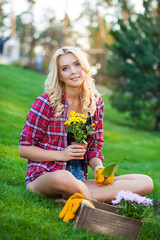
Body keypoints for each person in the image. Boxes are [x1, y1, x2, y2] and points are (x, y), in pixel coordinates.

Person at [19, 46, 153, 203]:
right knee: (64, 178)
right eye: (65, 68)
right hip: (47, 176)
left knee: (145, 182)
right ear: (60, 75)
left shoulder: (95, 103)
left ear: (84, 66)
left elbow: (94, 148)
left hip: (80, 180)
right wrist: (61, 155)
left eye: (77, 64)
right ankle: (85, 199)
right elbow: (24, 148)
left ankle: (75, 198)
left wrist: (98, 169)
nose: (74, 71)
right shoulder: (46, 103)